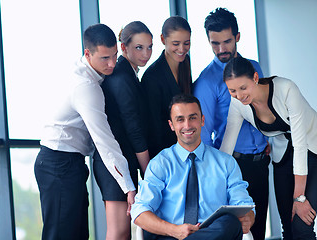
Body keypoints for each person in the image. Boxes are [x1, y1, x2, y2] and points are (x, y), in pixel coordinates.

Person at [34, 24, 136, 240]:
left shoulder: (88, 74)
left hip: (69, 163)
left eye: (115, 56)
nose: (111, 64)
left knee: (78, 235)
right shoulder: (86, 87)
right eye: (104, 58)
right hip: (58, 164)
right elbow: (104, 142)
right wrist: (128, 186)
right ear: (88, 53)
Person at [131, 93, 255, 240]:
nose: (187, 125)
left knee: (230, 223)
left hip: (213, 235)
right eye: (180, 119)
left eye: (193, 117)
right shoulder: (160, 163)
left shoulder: (226, 163)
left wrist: (249, 218)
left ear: (202, 120)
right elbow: (139, 212)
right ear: (171, 125)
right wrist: (175, 230)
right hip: (171, 235)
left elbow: (244, 205)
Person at [192, 8, 269, 239]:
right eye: (214, 43)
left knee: (259, 230)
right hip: (232, 165)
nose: (221, 49)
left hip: (261, 163)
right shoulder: (206, 82)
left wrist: (268, 139)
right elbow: (204, 136)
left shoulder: (255, 67)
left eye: (226, 41)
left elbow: (265, 106)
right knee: (237, 233)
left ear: (237, 36)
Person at [220, 57, 317, 240]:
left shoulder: (286, 89)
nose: (239, 96)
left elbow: (300, 144)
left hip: (312, 149)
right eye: (232, 90)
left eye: (243, 88)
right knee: (287, 227)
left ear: (255, 78)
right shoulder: (237, 105)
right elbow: (227, 147)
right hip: (283, 155)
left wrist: (300, 198)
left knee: (301, 224)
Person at [93, 21, 152, 240]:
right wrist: (148, 171)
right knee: (119, 233)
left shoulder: (128, 73)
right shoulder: (121, 76)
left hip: (123, 161)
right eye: (138, 47)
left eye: (149, 46)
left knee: (124, 233)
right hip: (114, 163)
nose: (146, 53)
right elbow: (133, 128)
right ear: (124, 47)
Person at [141, 16, 192, 159]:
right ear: (163, 40)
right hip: (164, 153)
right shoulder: (152, 77)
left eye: (186, 43)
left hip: (185, 147)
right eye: (176, 43)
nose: (182, 49)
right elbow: (153, 127)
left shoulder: (185, 62)